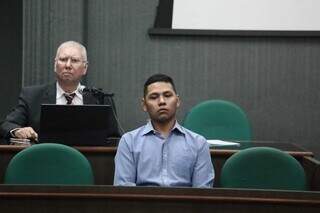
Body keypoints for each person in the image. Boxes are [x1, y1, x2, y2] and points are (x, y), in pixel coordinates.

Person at [0, 41, 115, 142]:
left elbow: (115, 137)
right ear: (55, 65)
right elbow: (6, 125)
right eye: (63, 60)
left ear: (85, 67)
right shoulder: (32, 96)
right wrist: (18, 131)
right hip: (44, 159)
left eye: (74, 60)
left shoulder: (100, 99)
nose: (68, 65)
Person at [114, 73, 214, 187]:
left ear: (177, 101)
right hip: (142, 204)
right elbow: (123, 190)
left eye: (167, 95)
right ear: (144, 105)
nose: (161, 101)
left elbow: (202, 194)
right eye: (153, 97)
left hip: (185, 204)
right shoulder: (129, 142)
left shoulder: (198, 143)